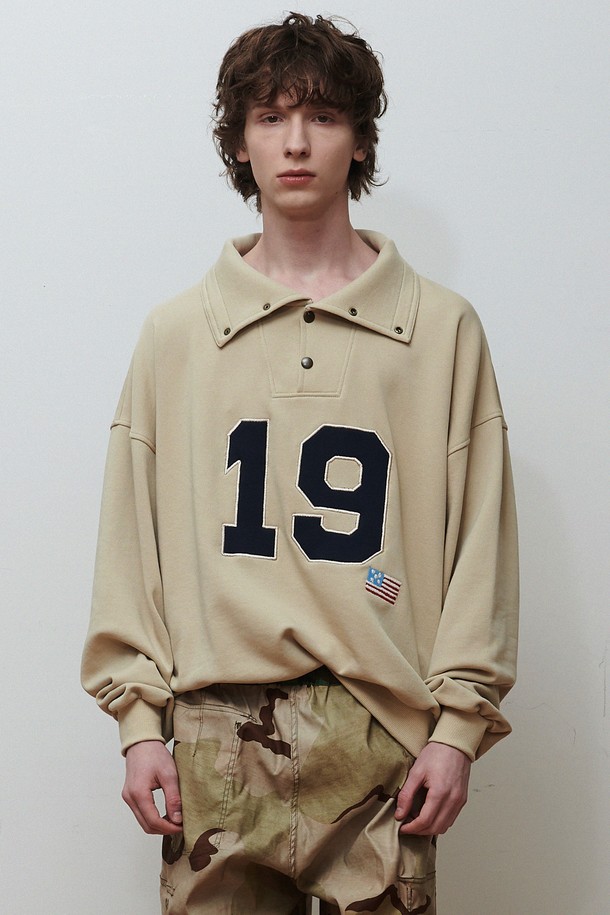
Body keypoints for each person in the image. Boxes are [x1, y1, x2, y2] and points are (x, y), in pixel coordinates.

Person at [81, 12, 519, 914]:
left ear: (359, 140)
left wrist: (457, 728)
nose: (295, 143)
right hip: (214, 729)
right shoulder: (177, 334)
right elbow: (132, 536)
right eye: (270, 117)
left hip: (384, 728)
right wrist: (138, 723)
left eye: (322, 116)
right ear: (238, 142)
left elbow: (482, 538)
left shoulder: (440, 330)